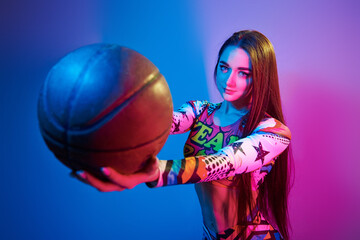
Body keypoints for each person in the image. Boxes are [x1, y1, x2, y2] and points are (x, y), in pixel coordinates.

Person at [74, 30, 292, 240]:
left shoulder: (273, 132)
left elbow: (225, 161)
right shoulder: (199, 110)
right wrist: (109, 116)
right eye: (224, 68)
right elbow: (161, 123)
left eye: (243, 73)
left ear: (261, 78)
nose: (229, 81)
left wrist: (157, 172)